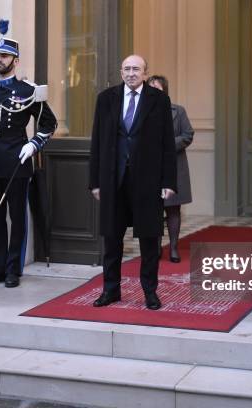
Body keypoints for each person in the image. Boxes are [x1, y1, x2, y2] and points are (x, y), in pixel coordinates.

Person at [0, 19, 57, 288]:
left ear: (15, 60)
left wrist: (34, 144)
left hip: (17, 160)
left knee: (17, 216)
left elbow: (48, 123)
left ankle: (13, 269)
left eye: (4, 56)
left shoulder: (28, 91)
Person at [89, 55, 177, 310]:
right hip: (112, 180)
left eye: (136, 69)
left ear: (145, 74)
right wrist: (95, 182)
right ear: (121, 72)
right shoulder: (106, 99)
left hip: (147, 182)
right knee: (111, 239)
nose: (131, 73)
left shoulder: (159, 100)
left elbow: (167, 145)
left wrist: (168, 181)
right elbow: (97, 143)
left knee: (149, 240)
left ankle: (150, 292)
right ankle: (111, 290)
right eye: (126, 69)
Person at [147, 75, 194, 263]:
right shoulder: (141, 111)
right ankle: (156, 247)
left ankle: (173, 247)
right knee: (154, 210)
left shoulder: (178, 111)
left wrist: (166, 144)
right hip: (150, 168)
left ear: (164, 91)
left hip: (174, 166)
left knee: (173, 209)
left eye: (156, 88)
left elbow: (187, 135)